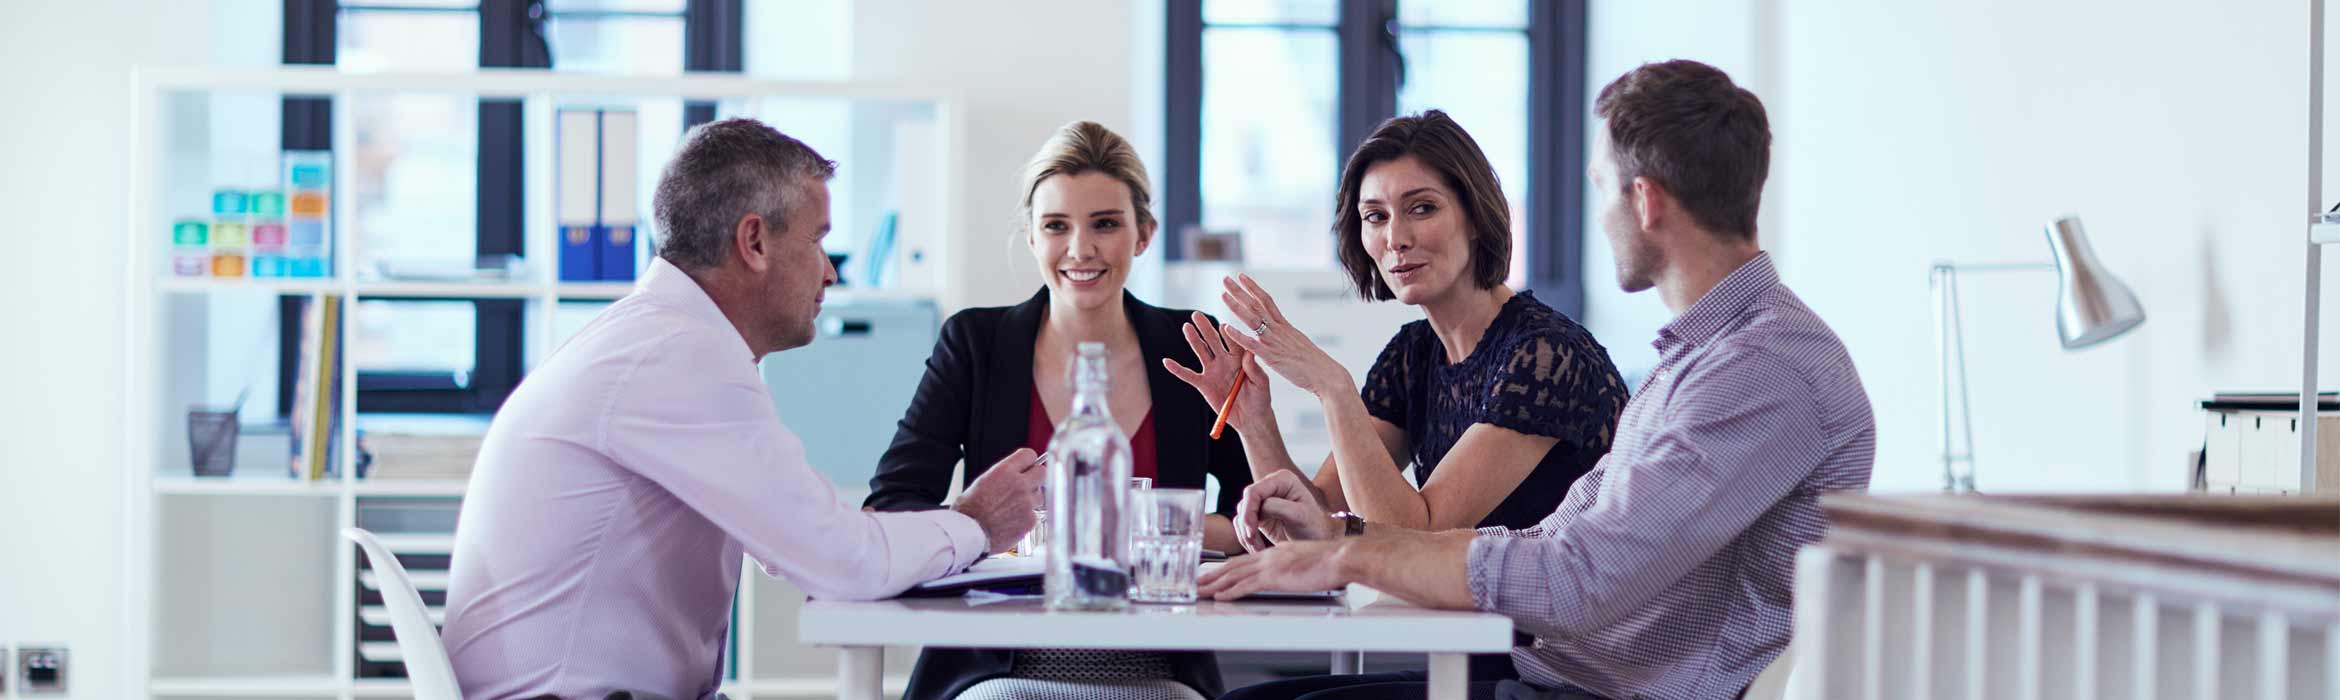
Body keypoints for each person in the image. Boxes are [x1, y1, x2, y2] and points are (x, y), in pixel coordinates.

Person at [1204, 60, 1878, 700]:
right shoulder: (1701, 357)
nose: (1599, 216)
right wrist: (1344, 540)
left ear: (1643, 200)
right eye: (1375, 216)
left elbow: (1577, 578)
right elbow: (1557, 546)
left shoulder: (1761, 369)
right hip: (1552, 673)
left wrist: (1350, 554)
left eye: (1598, 187)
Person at [439, 118, 1043, 700]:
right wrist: (976, 522)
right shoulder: (678, 356)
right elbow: (842, 562)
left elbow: (806, 540)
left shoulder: (658, 339)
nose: (830, 272)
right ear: (754, 241)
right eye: (818, 239)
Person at [1166, 109, 1630, 684]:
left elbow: (1415, 535)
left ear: (1478, 218)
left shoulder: (1546, 356)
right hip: (1461, 654)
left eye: (1422, 208)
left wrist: (1331, 387)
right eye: (1374, 216)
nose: (1396, 238)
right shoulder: (1414, 354)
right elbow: (1315, 522)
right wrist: (1253, 422)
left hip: (1554, 672)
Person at [864, 121, 1257, 700]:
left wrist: (1145, 530)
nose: (1080, 249)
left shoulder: (1191, 345)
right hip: (994, 667)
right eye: (1056, 226)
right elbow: (892, 504)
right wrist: (976, 522)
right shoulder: (975, 344)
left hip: (1159, 666)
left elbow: (1262, 521)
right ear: (1031, 236)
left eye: (1105, 224)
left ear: (1143, 234)